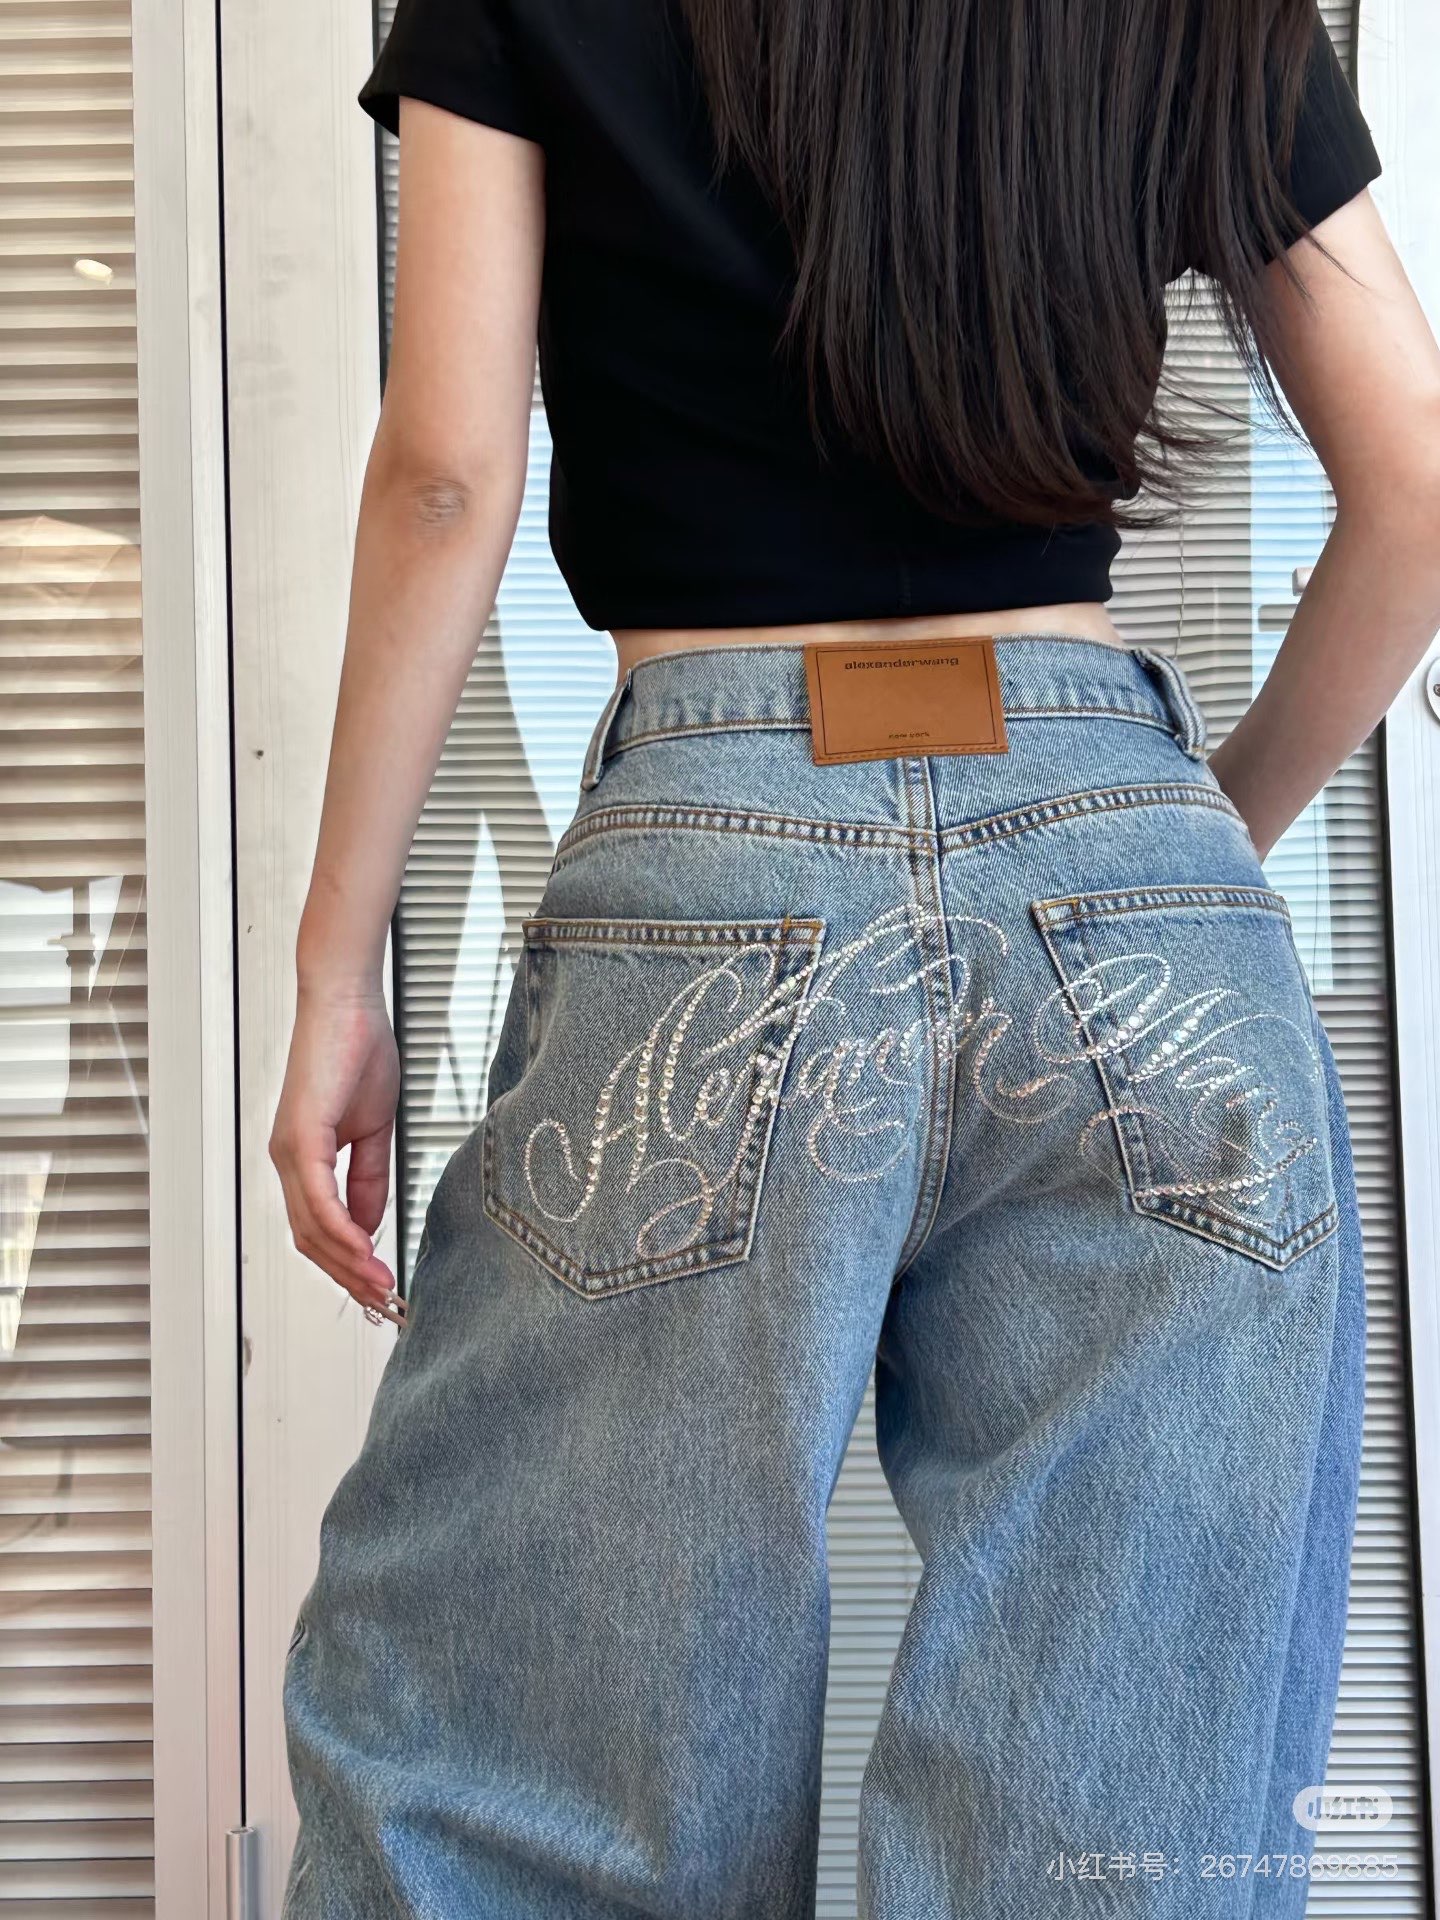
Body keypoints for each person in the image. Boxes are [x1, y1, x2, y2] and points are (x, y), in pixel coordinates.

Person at [269, 0, 1440, 1912]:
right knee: (1118, 1846)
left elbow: (447, 475)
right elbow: (1419, 474)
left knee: (520, 1798)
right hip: (1132, 870)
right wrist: (1185, 848)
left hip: (716, 873)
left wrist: (338, 970)